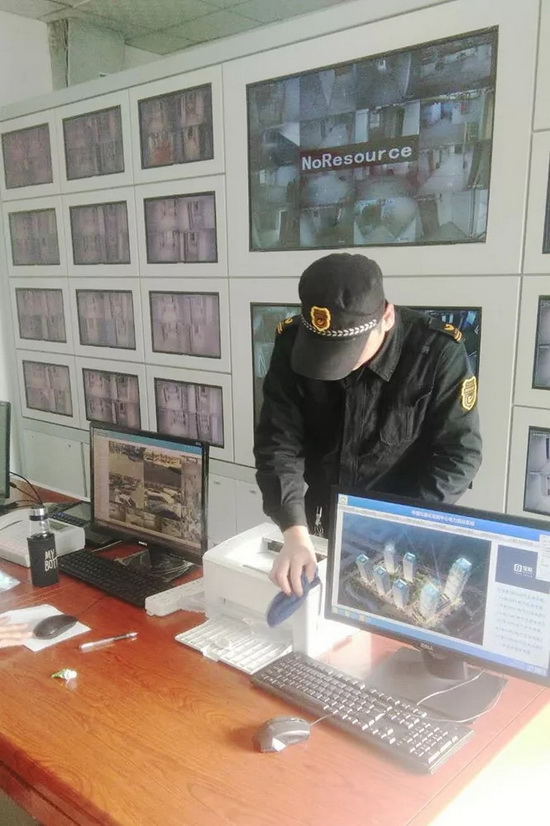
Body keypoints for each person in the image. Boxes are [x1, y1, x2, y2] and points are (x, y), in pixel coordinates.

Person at [254, 252, 482, 596]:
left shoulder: (437, 353)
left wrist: (404, 526)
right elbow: (278, 440)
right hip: (320, 515)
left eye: (347, 351)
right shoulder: (292, 341)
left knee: (389, 604)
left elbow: (459, 454)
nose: (336, 366)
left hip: (402, 520)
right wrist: (294, 532)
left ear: (386, 318)